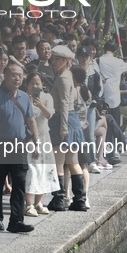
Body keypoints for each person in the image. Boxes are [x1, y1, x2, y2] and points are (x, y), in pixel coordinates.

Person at [0, 63, 40, 233]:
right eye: (13, 75)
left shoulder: (24, 97)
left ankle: (16, 220)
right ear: (6, 76)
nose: (17, 78)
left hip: (19, 145)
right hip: (1, 143)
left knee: (19, 183)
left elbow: (31, 121)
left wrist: (37, 143)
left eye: (20, 75)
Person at [47, 46, 88, 212]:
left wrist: (63, 127)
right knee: (73, 162)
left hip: (62, 121)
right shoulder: (68, 75)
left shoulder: (63, 78)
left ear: (65, 60)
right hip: (71, 120)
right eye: (54, 58)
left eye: (57, 59)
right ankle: (79, 200)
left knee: (59, 162)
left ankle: (59, 199)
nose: (54, 62)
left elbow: (63, 103)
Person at [22, 72, 59, 217]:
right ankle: (28, 203)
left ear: (42, 85)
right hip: (29, 138)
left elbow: (50, 114)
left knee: (45, 169)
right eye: (32, 83)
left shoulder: (47, 97)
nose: (35, 86)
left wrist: (40, 105)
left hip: (45, 137)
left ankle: (39, 202)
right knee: (32, 170)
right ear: (27, 84)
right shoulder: (24, 97)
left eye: (38, 83)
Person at [98, 41, 127, 127]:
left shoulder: (97, 61)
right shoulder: (118, 62)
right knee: (115, 127)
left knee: (102, 127)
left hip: (101, 100)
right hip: (114, 100)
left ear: (103, 49)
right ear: (115, 52)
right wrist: (125, 61)